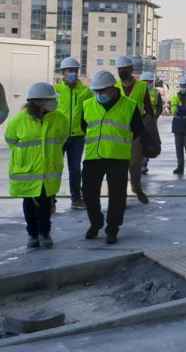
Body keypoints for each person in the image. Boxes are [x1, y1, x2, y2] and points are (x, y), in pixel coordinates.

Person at [82, 70, 144, 244]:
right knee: (88, 193)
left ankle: (112, 229)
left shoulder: (130, 106)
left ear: (113, 88)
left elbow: (138, 131)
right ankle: (96, 223)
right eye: (97, 91)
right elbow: (83, 127)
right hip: (93, 157)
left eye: (103, 91)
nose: (99, 94)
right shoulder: (87, 105)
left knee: (117, 197)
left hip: (118, 158)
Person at [5, 83, 68, 249]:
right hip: (28, 171)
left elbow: (62, 139)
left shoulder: (59, 118)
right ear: (38, 102)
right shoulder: (19, 120)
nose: (54, 103)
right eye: (50, 100)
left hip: (48, 170)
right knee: (29, 204)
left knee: (45, 204)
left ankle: (44, 233)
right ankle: (32, 234)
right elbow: (10, 140)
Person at [114, 56, 153, 203]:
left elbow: (149, 110)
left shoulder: (142, 87)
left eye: (124, 69)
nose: (122, 71)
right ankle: (121, 196)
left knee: (135, 163)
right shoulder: (115, 87)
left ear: (131, 69)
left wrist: (146, 126)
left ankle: (137, 188)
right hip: (119, 131)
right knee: (120, 164)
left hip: (136, 131)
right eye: (119, 69)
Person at [55, 57, 92, 209]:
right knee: (54, 168)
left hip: (77, 137)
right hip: (58, 137)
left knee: (75, 169)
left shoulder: (85, 92)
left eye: (75, 71)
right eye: (69, 71)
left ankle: (76, 199)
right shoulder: (55, 90)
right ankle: (50, 200)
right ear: (63, 73)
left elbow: (91, 112)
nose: (72, 73)